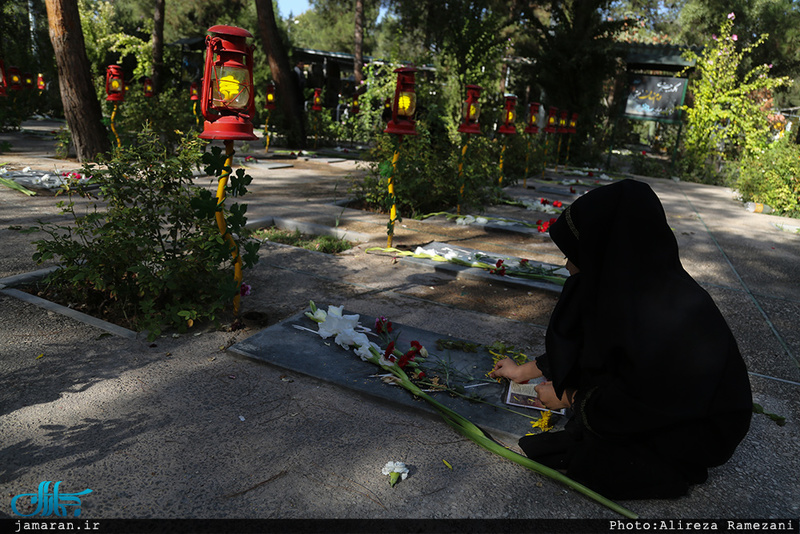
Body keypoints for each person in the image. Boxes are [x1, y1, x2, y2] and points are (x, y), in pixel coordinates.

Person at [490, 179, 752, 499]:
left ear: (604, 250)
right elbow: (595, 344)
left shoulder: (663, 316)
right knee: (589, 424)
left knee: (600, 463)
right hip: (667, 401)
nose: (568, 263)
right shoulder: (636, 286)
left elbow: (646, 396)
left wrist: (570, 398)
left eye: (576, 253)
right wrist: (525, 371)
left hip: (700, 430)